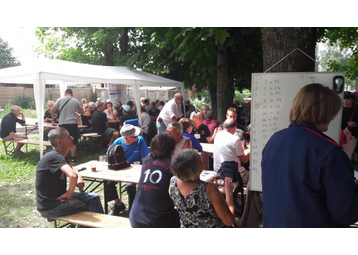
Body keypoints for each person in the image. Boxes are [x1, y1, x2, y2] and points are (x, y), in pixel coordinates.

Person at [262, 83, 358, 227]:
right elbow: (345, 212)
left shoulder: (275, 139)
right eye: (333, 111)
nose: (333, 117)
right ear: (326, 112)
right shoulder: (328, 152)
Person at [35, 128, 104, 221]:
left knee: (93, 198)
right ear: (59, 142)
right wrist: (69, 194)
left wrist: (79, 177)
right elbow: (72, 175)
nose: (72, 138)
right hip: (50, 206)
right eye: (68, 137)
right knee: (87, 205)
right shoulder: (54, 156)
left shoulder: (60, 155)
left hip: (59, 197)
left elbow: (72, 168)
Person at [169, 149, 235, 227]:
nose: (203, 161)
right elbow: (229, 221)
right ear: (195, 169)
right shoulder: (210, 190)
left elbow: (191, 193)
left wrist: (205, 183)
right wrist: (229, 193)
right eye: (201, 161)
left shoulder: (173, 181)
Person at [129, 133, 180, 228]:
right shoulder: (174, 163)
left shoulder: (147, 160)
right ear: (171, 147)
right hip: (158, 220)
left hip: (135, 217)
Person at [107, 124, 149, 215]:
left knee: (130, 187)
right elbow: (110, 159)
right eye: (134, 136)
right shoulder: (117, 143)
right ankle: (118, 204)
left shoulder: (140, 141)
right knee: (107, 183)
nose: (137, 137)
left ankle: (132, 210)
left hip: (135, 172)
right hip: (120, 170)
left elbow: (144, 160)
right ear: (126, 138)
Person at [51, 89, 84, 163]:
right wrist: (75, 112)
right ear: (71, 94)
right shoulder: (75, 101)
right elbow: (82, 112)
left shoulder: (59, 100)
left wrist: (54, 116)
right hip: (72, 123)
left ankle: (62, 156)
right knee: (73, 140)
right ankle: (73, 158)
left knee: (62, 139)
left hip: (62, 122)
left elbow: (52, 110)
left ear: (65, 93)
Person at [341, 91, 358, 160]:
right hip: (340, 134)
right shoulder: (339, 109)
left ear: (353, 100)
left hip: (352, 136)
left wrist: (356, 124)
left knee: (347, 155)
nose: (345, 101)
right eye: (344, 99)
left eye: (348, 99)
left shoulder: (356, 109)